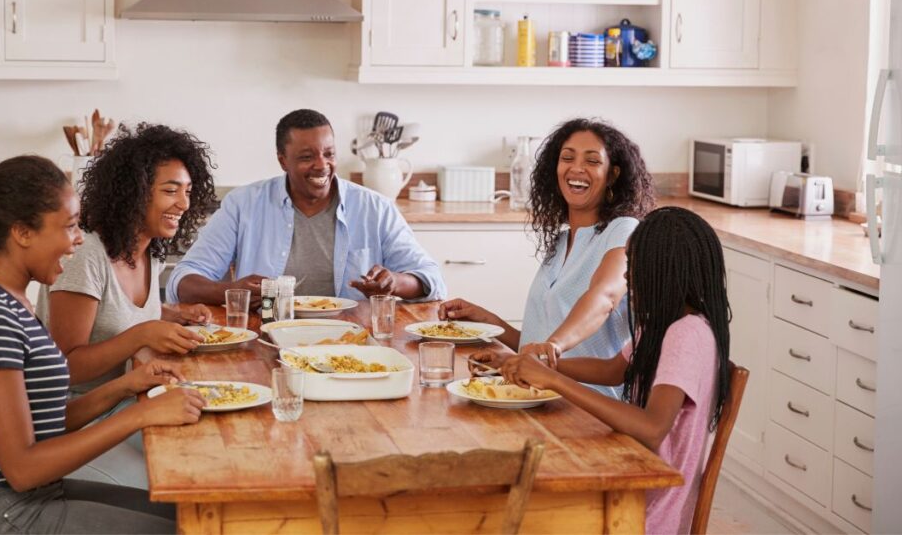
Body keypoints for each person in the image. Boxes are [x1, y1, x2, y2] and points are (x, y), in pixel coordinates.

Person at [0, 150, 204, 534]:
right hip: (2, 514)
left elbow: (44, 422)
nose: (78, 240)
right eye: (69, 227)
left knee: (191, 515)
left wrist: (127, 385)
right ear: (22, 232)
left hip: (32, 499)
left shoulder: (11, 301)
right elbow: (23, 468)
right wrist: (141, 414)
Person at [497, 207, 732, 535]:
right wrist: (541, 363)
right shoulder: (663, 324)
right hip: (634, 485)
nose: (627, 277)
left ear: (663, 271)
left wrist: (554, 380)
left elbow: (651, 429)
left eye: (633, 266)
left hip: (647, 512)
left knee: (523, 512)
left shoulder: (687, 334)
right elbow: (612, 371)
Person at [442, 118, 654, 397]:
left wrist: (552, 346)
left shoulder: (624, 230)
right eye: (567, 158)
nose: (576, 168)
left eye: (592, 161)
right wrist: (487, 320)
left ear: (613, 175)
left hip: (591, 407)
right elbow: (537, 347)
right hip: (542, 397)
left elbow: (605, 297)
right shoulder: (562, 241)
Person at [167, 109, 445, 304]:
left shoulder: (375, 208)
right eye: (306, 156)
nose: (322, 165)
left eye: (329, 154)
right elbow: (182, 281)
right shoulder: (243, 204)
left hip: (354, 342)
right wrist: (231, 291)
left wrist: (395, 282)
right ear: (282, 161)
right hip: (267, 337)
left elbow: (432, 280)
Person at [39, 124, 218, 396]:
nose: (184, 204)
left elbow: (114, 313)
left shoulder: (149, 248)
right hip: (79, 413)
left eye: (188, 192)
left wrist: (175, 315)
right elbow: (65, 367)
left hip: (130, 396)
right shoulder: (86, 254)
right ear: (134, 192)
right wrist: (143, 335)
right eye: (171, 191)